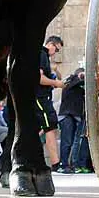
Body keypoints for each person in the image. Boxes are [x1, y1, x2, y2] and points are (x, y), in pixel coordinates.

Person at [38, 35, 64, 171]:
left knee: (48, 127)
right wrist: (55, 83)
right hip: (40, 97)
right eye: (57, 50)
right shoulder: (42, 54)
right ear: (52, 45)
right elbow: (39, 78)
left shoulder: (45, 58)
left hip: (43, 96)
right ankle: (55, 163)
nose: (56, 53)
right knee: (49, 127)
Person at [58, 68, 87, 174]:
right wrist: (82, 75)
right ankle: (63, 164)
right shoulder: (71, 80)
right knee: (66, 142)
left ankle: (68, 164)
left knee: (70, 142)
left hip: (74, 116)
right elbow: (76, 80)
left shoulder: (78, 88)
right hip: (67, 116)